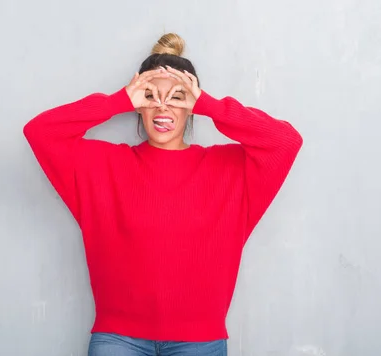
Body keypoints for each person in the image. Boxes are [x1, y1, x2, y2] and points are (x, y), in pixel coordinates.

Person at [23, 33, 303, 356]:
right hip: (118, 340)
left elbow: (286, 142)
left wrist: (211, 105)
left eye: (176, 97)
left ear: (191, 107)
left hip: (200, 343)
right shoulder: (103, 166)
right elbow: (39, 132)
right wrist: (118, 100)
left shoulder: (229, 170)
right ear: (138, 107)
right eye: (151, 95)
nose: (162, 107)